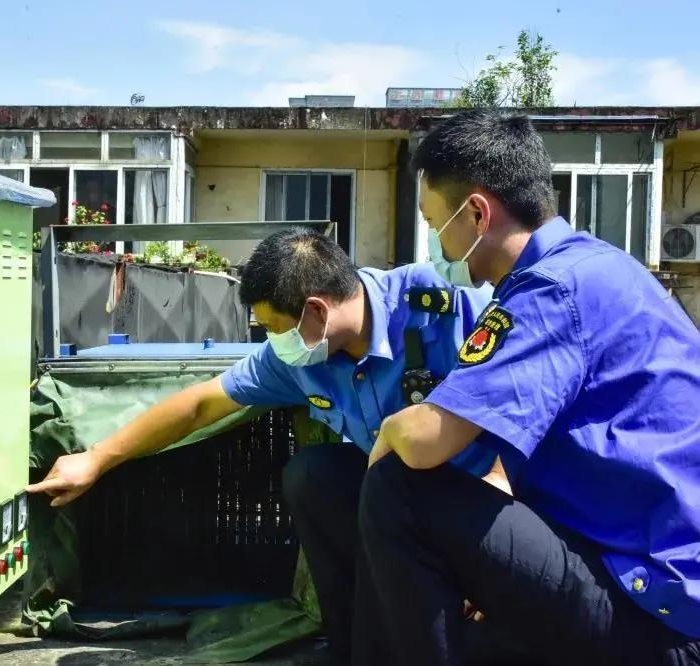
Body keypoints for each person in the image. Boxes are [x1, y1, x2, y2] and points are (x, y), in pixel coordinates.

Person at [26, 228, 498, 661]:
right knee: (316, 476)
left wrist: (492, 530)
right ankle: (355, 644)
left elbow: (526, 396)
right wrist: (97, 458)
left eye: (274, 328)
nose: (272, 341)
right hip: (397, 503)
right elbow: (201, 405)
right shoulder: (297, 357)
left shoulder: (443, 304)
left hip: (484, 498)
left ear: (316, 310)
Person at [364, 110, 700, 665]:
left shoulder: (548, 291)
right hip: (656, 576)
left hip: (656, 609)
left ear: (475, 212)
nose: (432, 243)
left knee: (397, 486)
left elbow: (426, 441)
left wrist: (391, 430)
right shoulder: (598, 266)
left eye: (432, 221)